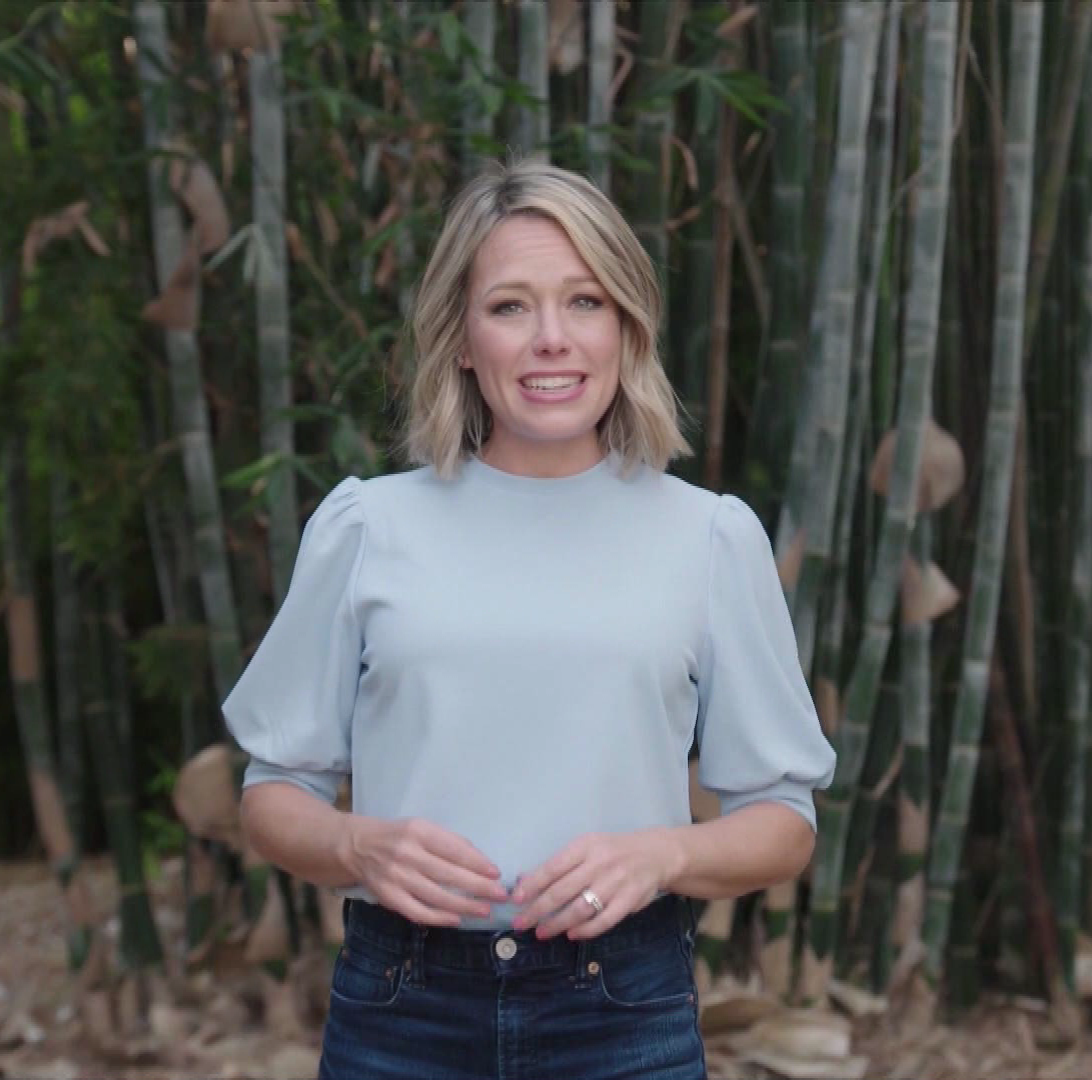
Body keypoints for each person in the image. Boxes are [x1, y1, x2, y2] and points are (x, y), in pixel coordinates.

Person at [225, 158, 837, 1080]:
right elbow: (273, 793)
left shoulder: (709, 537)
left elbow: (784, 821)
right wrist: (355, 843)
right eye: (510, 306)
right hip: (403, 1007)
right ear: (462, 340)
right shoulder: (366, 526)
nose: (552, 339)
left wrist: (663, 856)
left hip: (622, 1007)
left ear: (626, 328)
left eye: (585, 302)